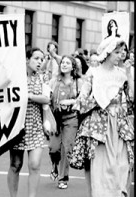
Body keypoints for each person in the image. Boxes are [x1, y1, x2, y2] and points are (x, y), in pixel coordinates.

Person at [71, 36, 134, 197]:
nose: (121, 55)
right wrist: (99, 100)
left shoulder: (122, 74)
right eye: (117, 52)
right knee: (101, 168)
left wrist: (128, 73)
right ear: (107, 52)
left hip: (120, 125)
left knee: (122, 165)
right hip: (99, 126)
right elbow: (81, 101)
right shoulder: (93, 73)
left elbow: (133, 98)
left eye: (123, 52)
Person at [7, 47, 50, 197]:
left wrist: (28, 96)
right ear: (27, 59)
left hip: (36, 125)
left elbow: (46, 99)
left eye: (41, 59)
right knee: (15, 165)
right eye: (36, 58)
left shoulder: (43, 77)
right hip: (18, 126)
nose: (39, 62)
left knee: (35, 165)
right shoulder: (16, 77)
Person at [47, 55, 83, 189]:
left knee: (67, 148)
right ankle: (54, 165)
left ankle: (63, 178)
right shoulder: (54, 81)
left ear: (73, 66)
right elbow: (47, 97)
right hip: (55, 118)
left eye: (68, 63)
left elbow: (82, 99)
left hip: (71, 118)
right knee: (53, 148)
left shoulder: (79, 82)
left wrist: (71, 102)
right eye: (63, 62)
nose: (64, 64)